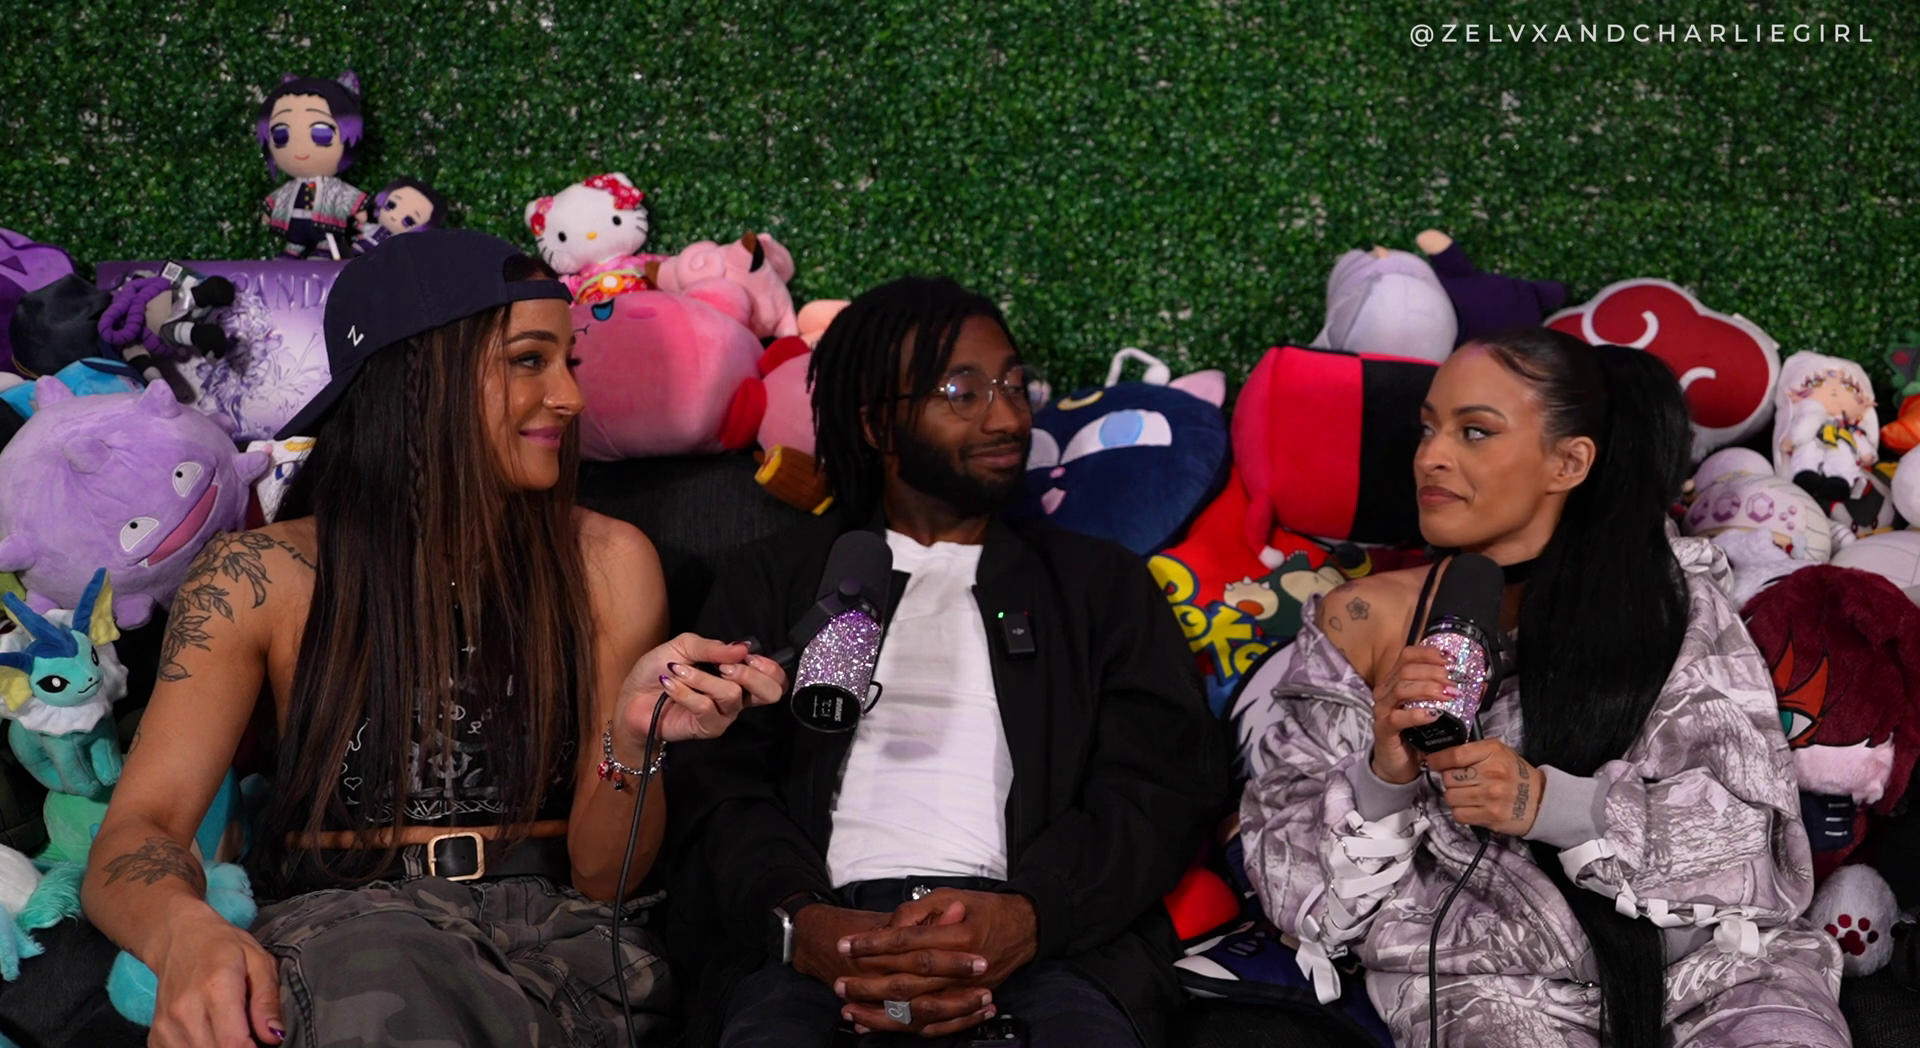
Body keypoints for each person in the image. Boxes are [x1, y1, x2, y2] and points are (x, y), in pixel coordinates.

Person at [81, 229, 787, 1048]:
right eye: (529, 360)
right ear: (416, 377)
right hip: (343, 938)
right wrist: (183, 933)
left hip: (560, 948)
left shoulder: (609, 562)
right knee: (383, 968)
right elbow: (140, 832)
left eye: (568, 362)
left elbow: (605, 878)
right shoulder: (256, 577)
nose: (569, 397)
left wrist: (634, 739)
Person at [1239, 330, 1847, 1047]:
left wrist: (1548, 804)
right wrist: (1383, 777)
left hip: (1714, 968)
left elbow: (1755, 847)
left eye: (1474, 432)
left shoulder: (1672, 600)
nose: (1431, 456)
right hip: (1485, 988)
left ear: (1568, 461)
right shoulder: (1362, 619)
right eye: (1428, 429)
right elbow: (1287, 882)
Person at [664, 277, 1227, 1048]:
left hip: (1046, 948)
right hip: (815, 948)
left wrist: (1032, 915)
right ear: (877, 424)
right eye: (962, 392)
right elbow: (715, 785)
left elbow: (1160, 781)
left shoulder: (1098, 584)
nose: (1007, 416)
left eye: (1014, 385)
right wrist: (800, 920)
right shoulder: (774, 579)